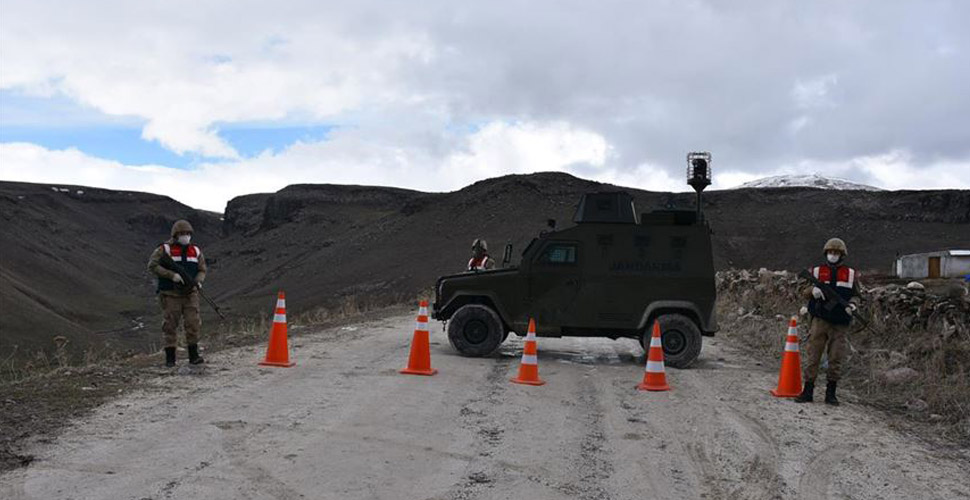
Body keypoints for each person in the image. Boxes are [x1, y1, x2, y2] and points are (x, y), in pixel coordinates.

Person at [794, 238, 861, 406]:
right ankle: (807, 391)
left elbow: (857, 295)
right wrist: (812, 290)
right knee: (813, 355)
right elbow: (801, 290)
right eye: (831, 252)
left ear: (842, 255)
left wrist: (853, 305)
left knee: (836, 357)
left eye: (836, 253)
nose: (833, 255)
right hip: (819, 319)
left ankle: (831, 393)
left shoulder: (851, 274)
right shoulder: (816, 271)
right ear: (826, 253)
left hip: (840, 322)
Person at [147, 220, 207, 367]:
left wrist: (198, 281)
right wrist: (171, 275)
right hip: (170, 293)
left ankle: (194, 356)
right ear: (175, 235)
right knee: (170, 325)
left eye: (187, 234)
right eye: (182, 234)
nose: (185, 236)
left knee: (193, 323)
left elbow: (202, 269)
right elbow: (152, 265)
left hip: (190, 293)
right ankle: (170, 359)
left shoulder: (196, 251)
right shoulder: (164, 249)